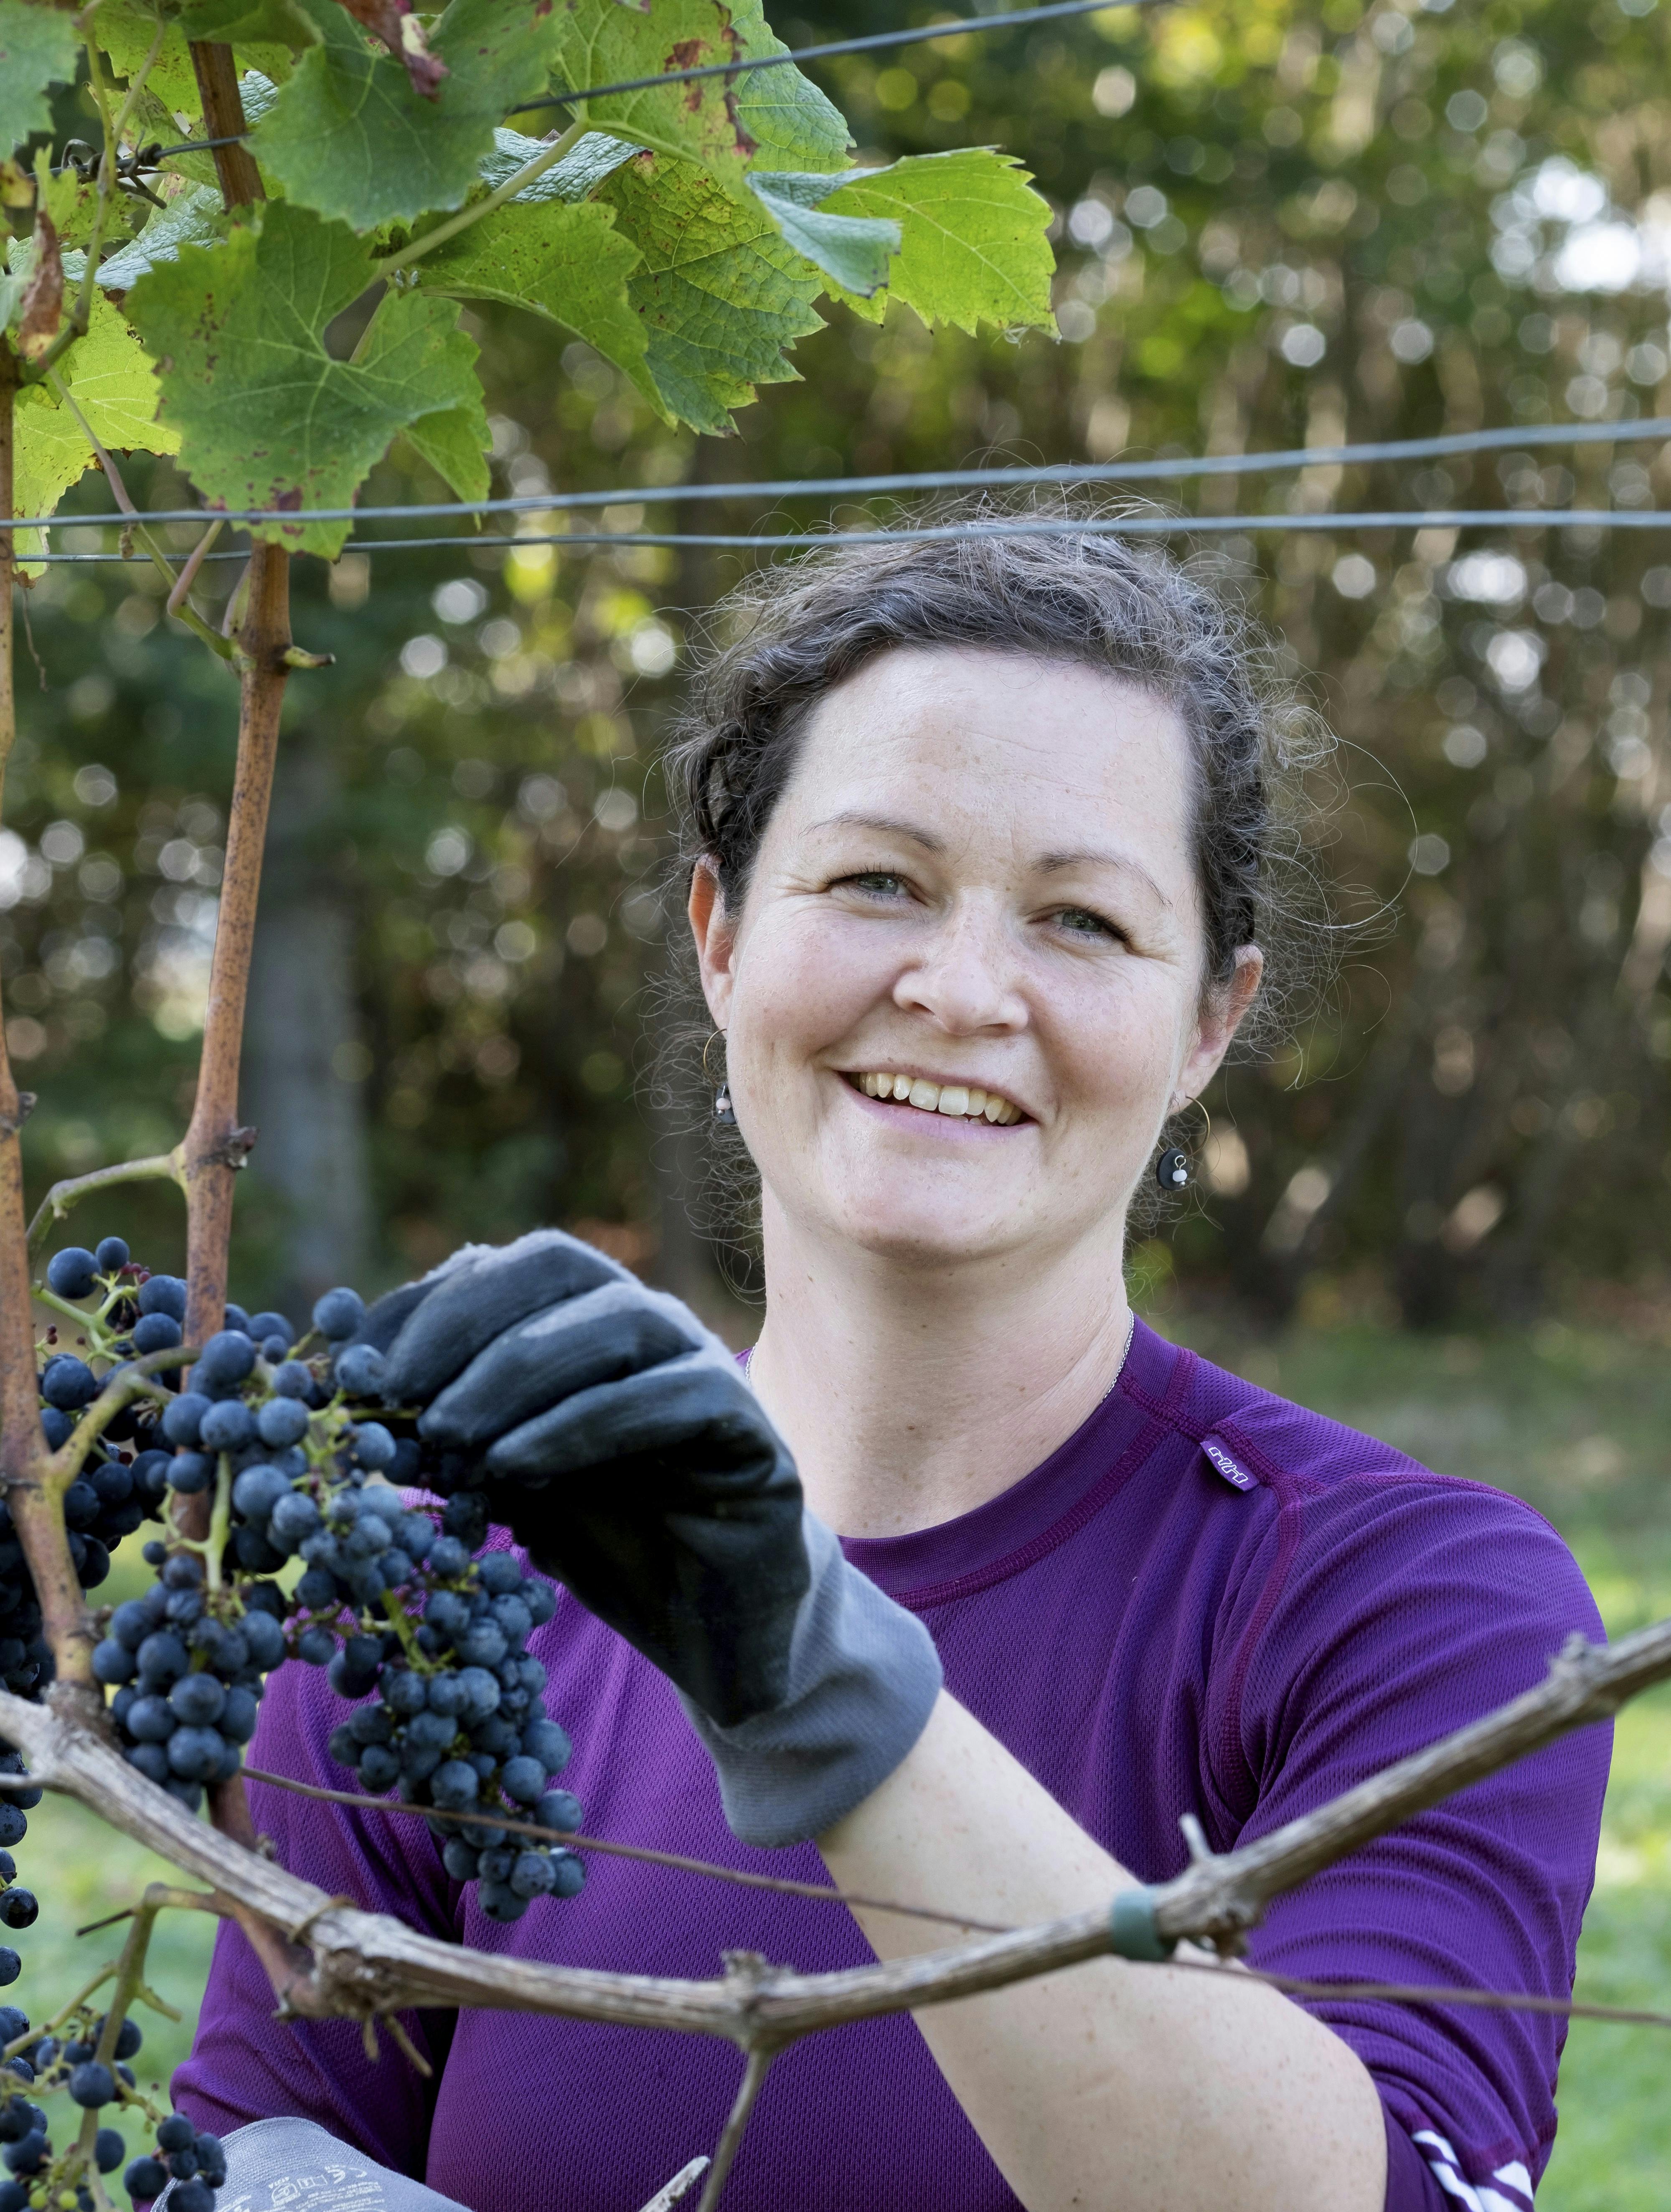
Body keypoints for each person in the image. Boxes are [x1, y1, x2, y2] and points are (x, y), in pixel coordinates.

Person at [176, 517, 1609, 2212]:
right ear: (718, 933)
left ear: (1205, 1023)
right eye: (877, 882)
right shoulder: (436, 1590)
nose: (958, 987)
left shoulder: (1406, 1603)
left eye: (1080, 919)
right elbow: (253, 2163)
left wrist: (814, 1680)